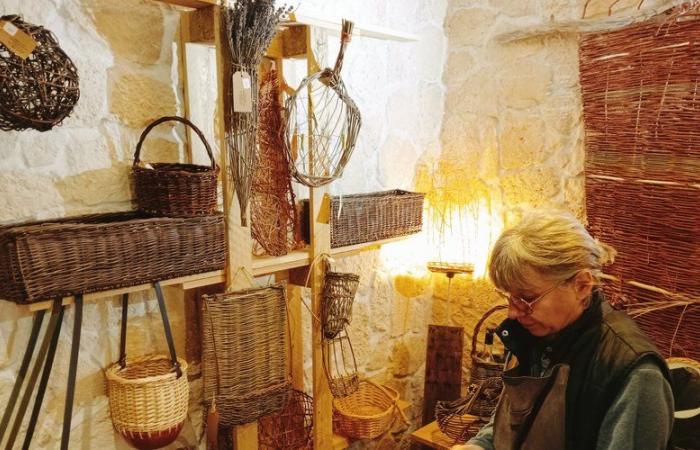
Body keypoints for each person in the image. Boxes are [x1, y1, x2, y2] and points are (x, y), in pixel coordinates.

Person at [453, 210, 674, 450]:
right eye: (509, 297)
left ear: (581, 285)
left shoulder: (635, 374)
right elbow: (511, 422)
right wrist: (479, 446)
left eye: (527, 298)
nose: (513, 314)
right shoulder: (532, 335)